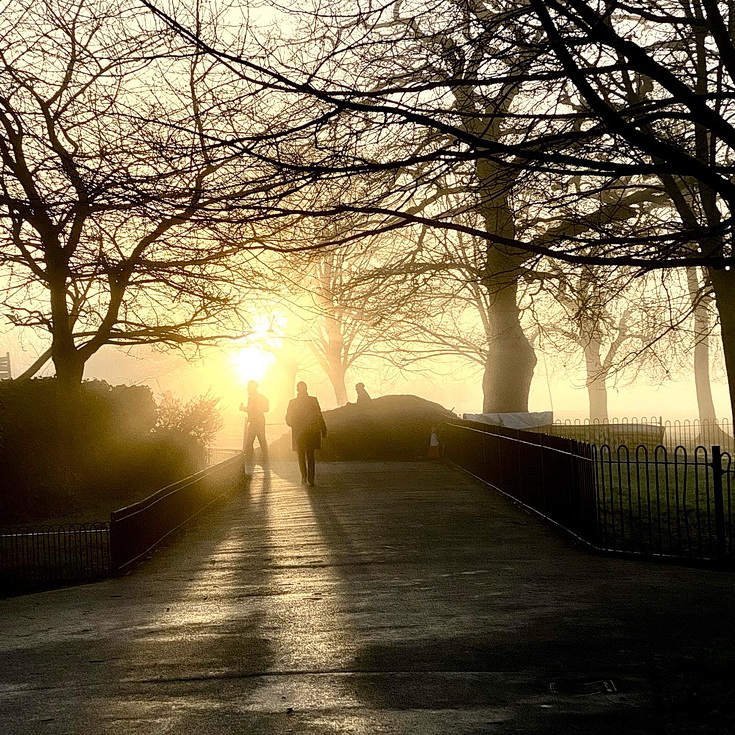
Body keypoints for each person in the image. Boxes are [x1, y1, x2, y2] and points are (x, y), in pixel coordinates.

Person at [286, 381, 327, 487]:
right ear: (306, 388)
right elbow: (319, 415)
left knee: (301, 456)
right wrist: (323, 428)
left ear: (297, 389)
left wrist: (294, 425)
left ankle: (304, 477)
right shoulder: (313, 400)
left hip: (299, 432)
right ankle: (310, 478)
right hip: (311, 431)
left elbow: (288, 418)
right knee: (310, 456)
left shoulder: (293, 402)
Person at [240, 380, 269, 472]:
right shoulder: (260, 397)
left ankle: (250, 459)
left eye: (249, 388)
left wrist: (243, 408)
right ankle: (264, 458)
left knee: (250, 441)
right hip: (259, 420)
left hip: (256, 421)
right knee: (261, 439)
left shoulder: (253, 398)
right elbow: (265, 408)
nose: (248, 390)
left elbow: (251, 408)